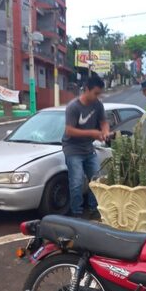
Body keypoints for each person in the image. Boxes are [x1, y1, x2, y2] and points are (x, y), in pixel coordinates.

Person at [63, 75, 110, 219]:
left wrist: (105, 131)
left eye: (99, 94)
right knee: (76, 182)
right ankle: (76, 213)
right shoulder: (73, 107)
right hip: (73, 149)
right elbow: (69, 130)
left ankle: (94, 209)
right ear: (87, 89)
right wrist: (92, 133)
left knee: (96, 180)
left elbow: (103, 122)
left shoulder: (97, 104)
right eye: (95, 93)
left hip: (88, 149)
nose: (97, 96)